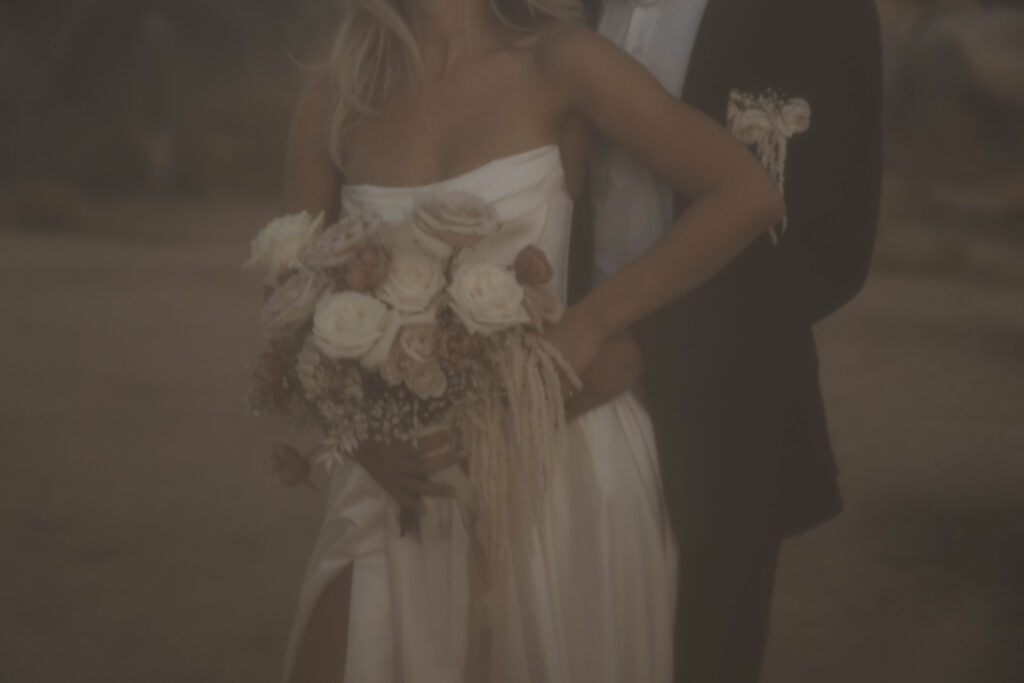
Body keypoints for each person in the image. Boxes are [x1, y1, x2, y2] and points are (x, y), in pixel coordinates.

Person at [276, 0, 784, 679]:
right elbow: (287, 298)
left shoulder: (560, 59)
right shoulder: (337, 90)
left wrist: (594, 319)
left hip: (556, 471)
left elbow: (746, 193)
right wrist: (358, 433)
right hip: (398, 479)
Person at [569, 0, 883, 681]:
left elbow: (831, 241)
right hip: (567, 403)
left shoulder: (821, 13)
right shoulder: (548, 10)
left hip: (727, 416)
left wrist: (649, 336)